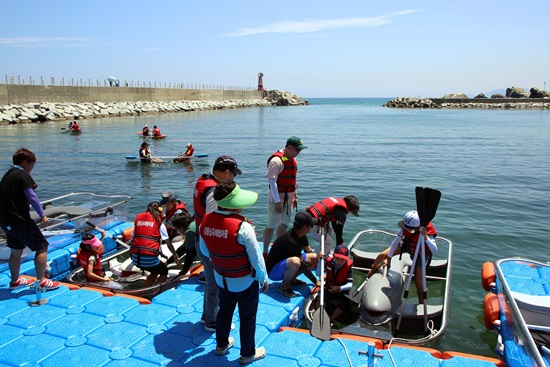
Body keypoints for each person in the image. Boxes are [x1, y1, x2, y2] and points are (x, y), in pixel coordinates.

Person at [199, 180, 267, 364]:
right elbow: (257, 259)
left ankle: (221, 346)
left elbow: (205, 252)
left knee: (224, 311)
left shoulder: (205, 222)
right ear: (234, 204)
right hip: (244, 281)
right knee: (247, 316)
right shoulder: (243, 227)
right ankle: (247, 354)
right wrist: (263, 278)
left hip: (221, 278)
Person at [193, 155, 242, 331]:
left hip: (201, 239)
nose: (233, 180)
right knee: (216, 283)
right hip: (209, 244)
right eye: (233, 175)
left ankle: (207, 315)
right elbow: (214, 223)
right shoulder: (214, 194)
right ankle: (213, 322)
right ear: (226, 173)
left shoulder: (203, 180)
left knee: (211, 281)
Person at [0, 148, 60, 291]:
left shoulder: (7, 176)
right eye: (32, 164)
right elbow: (32, 196)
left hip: (5, 220)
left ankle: (15, 280)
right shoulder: (22, 175)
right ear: (24, 162)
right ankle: (42, 281)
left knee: (16, 250)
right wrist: (42, 215)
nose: (32, 168)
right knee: (41, 246)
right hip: (20, 220)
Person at [367, 210, 437, 303]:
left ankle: (421, 303)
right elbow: (395, 243)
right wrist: (389, 258)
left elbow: (434, 249)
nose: (407, 230)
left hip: (421, 253)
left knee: (418, 281)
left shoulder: (426, 232)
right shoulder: (403, 229)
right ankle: (370, 275)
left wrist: (426, 237)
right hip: (408, 246)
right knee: (381, 255)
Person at [262, 136, 307, 257]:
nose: (298, 153)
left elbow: (293, 180)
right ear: (289, 147)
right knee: (271, 225)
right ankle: (265, 251)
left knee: (284, 225)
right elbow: (273, 182)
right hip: (277, 199)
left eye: (300, 150)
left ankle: (279, 248)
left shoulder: (292, 159)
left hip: (289, 198)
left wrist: (295, 196)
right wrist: (277, 202)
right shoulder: (276, 161)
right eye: (297, 150)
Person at [266, 211, 320, 298]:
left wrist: (321, 265)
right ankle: (284, 286)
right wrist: (316, 281)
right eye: (312, 225)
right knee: (295, 261)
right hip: (273, 271)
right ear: (305, 227)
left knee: (315, 257)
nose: (313, 227)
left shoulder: (301, 235)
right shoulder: (290, 241)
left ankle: (292, 280)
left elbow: (309, 252)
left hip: (285, 264)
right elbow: (302, 264)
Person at [130, 201, 181, 287]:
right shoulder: (159, 223)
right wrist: (175, 255)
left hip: (135, 258)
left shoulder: (139, 221)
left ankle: (145, 291)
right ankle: (155, 293)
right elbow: (168, 244)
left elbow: (134, 237)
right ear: (160, 211)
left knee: (154, 271)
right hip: (149, 259)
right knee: (164, 271)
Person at [323, 244, 353, 325]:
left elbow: (350, 284)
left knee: (346, 303)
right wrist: (320, 261)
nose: (339, 262)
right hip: (329, 286)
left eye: (342, 259)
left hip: (342, 289)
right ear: (334, 257)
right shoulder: (328, 261)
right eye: (337, 259)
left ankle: (330, 320)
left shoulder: (349, 267)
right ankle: (320, 316)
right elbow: (319, 272)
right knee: (320, 297)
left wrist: (339, 288)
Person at [169, 210, 196, 278]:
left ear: (181, 227)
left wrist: (184, 270)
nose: (177, 231)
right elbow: (183, 249)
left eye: (176, 229)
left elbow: (191, 253)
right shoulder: (193, 224)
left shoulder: (190, 232)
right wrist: (168, 262)